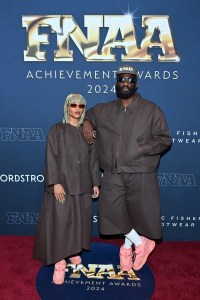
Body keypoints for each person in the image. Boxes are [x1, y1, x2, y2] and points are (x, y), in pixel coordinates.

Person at [83, 65, 172, 272]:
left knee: (138, 214)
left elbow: (164, 139)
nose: (125, 83)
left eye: (130, 80)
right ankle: (141, 243)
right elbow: (86, 114)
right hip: (113, 172)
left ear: (136, 84)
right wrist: (87, 122)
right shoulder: (104, 109)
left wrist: (140, 149)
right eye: (122, 79)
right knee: (111, 213)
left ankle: (127, 247)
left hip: (141, 171)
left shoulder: (151, 110)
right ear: (116, 83)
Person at [33, 93, 100, 285]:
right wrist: (55, 183)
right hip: (62, 185)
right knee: (60, 224)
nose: (77, 109)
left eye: (81, 105)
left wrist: (95, 182)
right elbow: (51, 156)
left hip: (83, 185)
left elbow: (94, 159)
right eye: (73, 105)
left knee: (79, 223)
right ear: (67, 107)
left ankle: (71, 252)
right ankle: (59, 262)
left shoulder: (88, 132)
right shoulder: (57, 129)